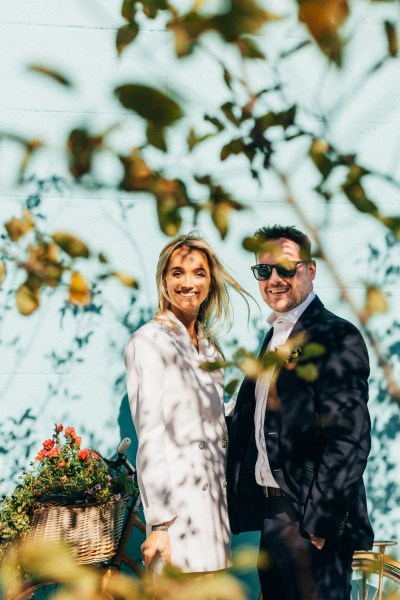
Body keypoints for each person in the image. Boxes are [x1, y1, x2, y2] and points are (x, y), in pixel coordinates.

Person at [226, 225, 374, 600]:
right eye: (264, 271)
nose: (274, 279)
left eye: (286, 269)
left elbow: (350, 439)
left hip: (310, 520)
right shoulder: (275, 336)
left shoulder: (336, 336)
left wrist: (319, 525)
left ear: (310, 270)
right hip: (274, 515)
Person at [125, 232, 249, 577]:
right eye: (177, 273)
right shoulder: (148, 342)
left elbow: (211, 422)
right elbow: (149, 436)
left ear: (210, 283)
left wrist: (258, 390)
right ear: (164, 280)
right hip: (176, 517)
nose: (188, 283)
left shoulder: (208, 347)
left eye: (198, 273)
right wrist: (161, 525)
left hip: (211, 513)